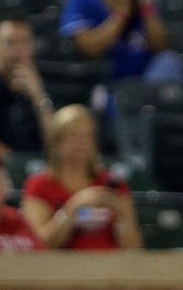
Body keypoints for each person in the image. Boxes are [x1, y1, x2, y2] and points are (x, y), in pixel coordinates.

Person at [20, 104, 143, 250]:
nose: (81, 143)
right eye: (74, 136)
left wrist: (122, 215)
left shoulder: (111, 184)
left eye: (87, 136)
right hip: (62, 268)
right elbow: (36, 246)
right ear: (57, 142)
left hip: (109, 267)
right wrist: (73, 208)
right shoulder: (40, 185)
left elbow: (134, 248)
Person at [0, 17, 55, 154]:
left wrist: (38, 96)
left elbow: (56, 142)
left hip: (41, 167)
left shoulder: (40, 85)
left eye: (24, 43)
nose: (17, 51)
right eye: (10, 43)